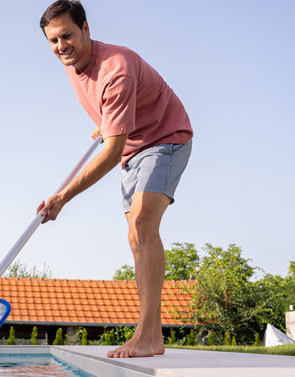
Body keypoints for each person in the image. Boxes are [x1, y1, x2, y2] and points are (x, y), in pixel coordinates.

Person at [36, 0, 193, 358]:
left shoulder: (115, 68)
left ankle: (147, 334)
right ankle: (152, 337)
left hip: (165, 136)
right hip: (132, 147)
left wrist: (62, 197)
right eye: (53, 41)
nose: (61, 47)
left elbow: (110, 150)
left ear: (86, 28)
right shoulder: (72, 64)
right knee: (135, 238)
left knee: (142, 222)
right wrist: (108, 121)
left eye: (67, 36)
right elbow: (113, 115)